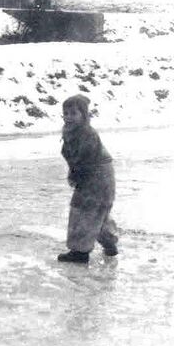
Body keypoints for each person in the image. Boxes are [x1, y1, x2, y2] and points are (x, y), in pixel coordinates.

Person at [57, 94, 118, 264]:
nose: (69, 117)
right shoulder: (72, 132)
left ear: (84, 115)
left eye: (74, 113)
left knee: (83, 212)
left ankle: (79, 252)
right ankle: (110, 242)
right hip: (93, 176)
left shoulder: (86, 133)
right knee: (97, 212)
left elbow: (85, 158)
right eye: (66, 113)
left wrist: (76, 175)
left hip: (97, 177)